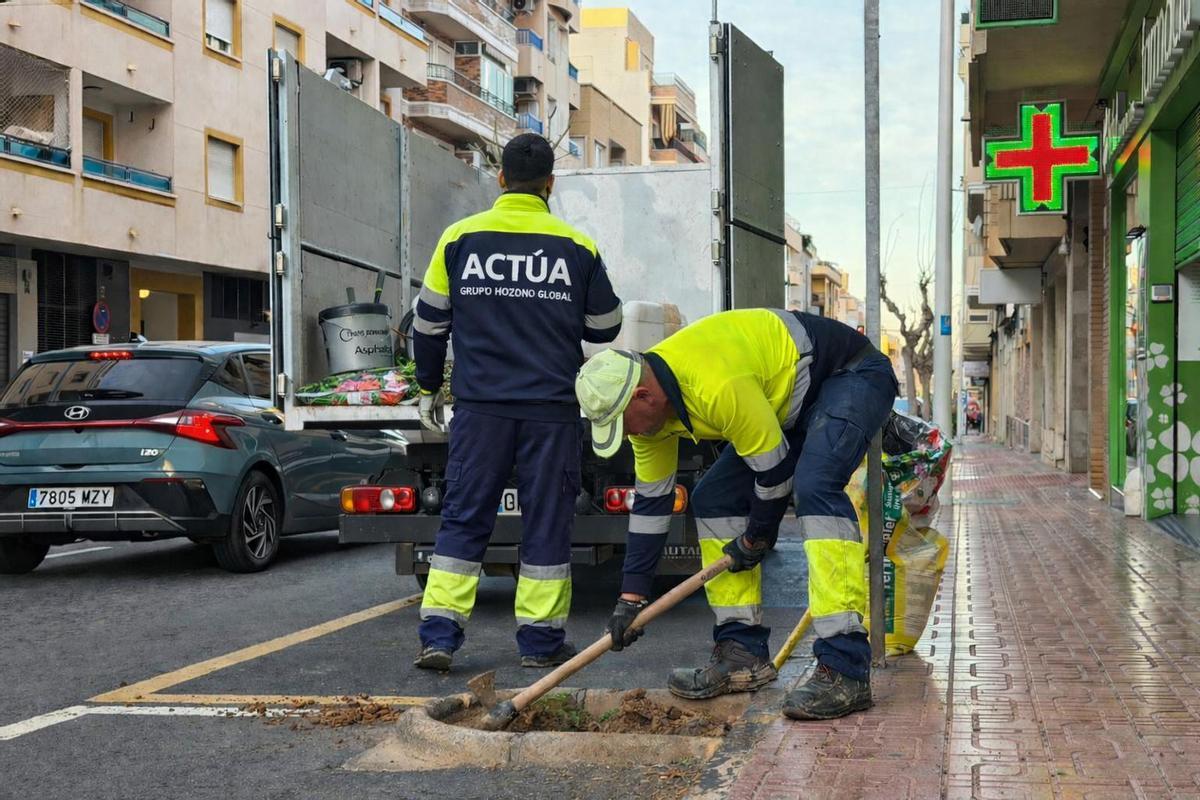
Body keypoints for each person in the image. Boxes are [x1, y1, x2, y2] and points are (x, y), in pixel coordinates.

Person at [575, 308, 897, 720]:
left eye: (624, 425)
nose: (629, 436)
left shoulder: (714, 383)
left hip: (850, 376)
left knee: (815, 486)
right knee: (713, 499)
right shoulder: (651, 421)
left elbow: (776, 475)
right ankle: (741, 651)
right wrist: (630, 599)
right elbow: (651, 508)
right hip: (786, 407)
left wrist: (757, 536)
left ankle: (846, 667)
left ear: (643, 396)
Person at [411, 133, 623, 671]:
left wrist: (429, 387)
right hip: (551, 411)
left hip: (480, 409)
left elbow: (429, 324)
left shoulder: (460, 238)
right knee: (547, 523)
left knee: (464, 517)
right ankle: (540, 643)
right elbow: (607, 327)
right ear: (551, 184)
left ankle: (439, 636)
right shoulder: (577, 246)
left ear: (500, 179)